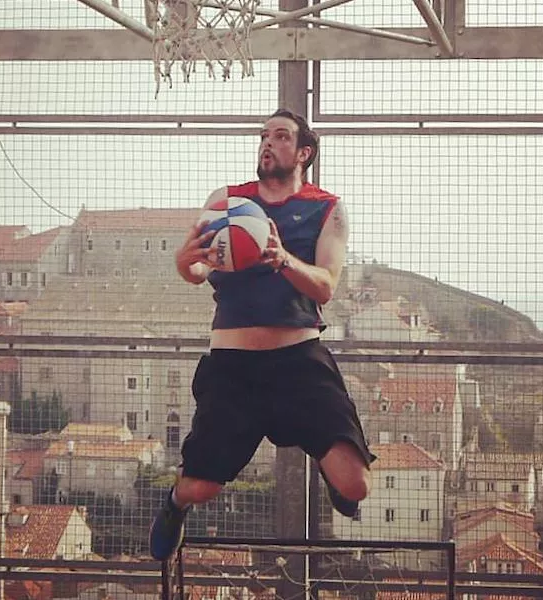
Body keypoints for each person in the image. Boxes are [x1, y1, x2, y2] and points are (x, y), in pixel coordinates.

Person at [149, 109, 375, 561]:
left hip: (298, 360)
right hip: (233, 367)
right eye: (263, 136)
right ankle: (174, 505)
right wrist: (182, 264)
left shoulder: (326, 207)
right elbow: (196, 267)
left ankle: (335, 478)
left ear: (304, 152)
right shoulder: (228, 201)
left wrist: (283, 258)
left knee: (357, 485)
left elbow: (326, 287)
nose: (267, 143)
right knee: (200, 488)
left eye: (280, 136)